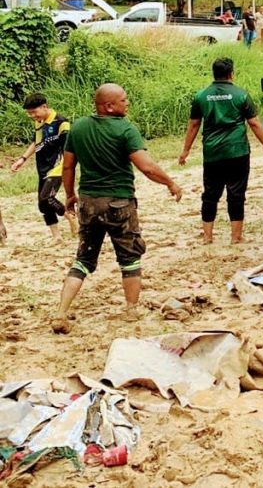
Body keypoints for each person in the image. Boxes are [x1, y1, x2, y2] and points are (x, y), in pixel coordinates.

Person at [53, 84, 182, 334]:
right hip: (119, 204)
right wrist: (171, 183)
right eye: (123, 100)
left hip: (89, 204)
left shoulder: (77, 127)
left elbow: (68, 167)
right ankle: (131, 310)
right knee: (129, 258)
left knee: (82, 259)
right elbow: (147, 167)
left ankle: (61, 312)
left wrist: (70, 195)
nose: (128, 103)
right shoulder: (125, 130)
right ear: (109, 106)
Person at [178, 58, 263, 245]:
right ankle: (235, 238)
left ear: (214, 73)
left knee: (210, 194)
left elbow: (194, 124)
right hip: (237, 152)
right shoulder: (241, 95)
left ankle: (207, 237)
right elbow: (253, 123)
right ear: (231, 74)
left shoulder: (201, 96)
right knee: (236, 194)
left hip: (212, 153)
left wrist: (185, 150)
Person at [11, 93, 77, 240]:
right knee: (43, 205)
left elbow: (69, 149)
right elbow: (36, 142)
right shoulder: (39, 122)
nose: (32, 116)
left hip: (58, 166)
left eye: (34, 112)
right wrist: (22, 159)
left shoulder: (61, 123)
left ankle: (71, 218)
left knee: (47, 198)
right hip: (42, 167)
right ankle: (56, 237)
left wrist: (68, 169)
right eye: (29, 113)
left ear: (44, 107)